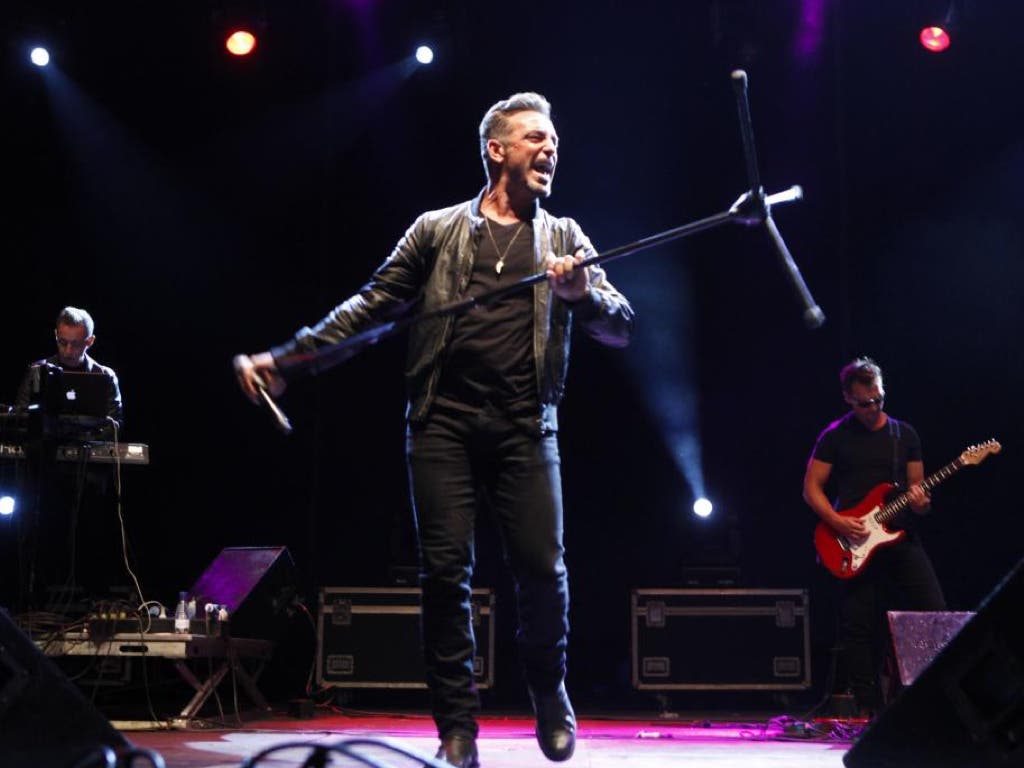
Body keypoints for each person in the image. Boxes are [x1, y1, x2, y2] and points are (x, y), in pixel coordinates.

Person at [235, 92, 634, 766]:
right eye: (536, 138)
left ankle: (548, 693)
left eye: (555, 142)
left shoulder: (565, 237)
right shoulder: (436, 230)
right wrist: (289, 360)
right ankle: (456, 727)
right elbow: (370, 308)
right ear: (496, 149)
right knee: (445, 577)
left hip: (525, 429)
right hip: (441, 426)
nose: (550, 150)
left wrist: (581, 294)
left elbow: (620, 324)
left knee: (542, 571)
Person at [803, 357, 946, 718]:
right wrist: (837, 522)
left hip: (899, 536)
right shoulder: (835, 436)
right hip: (851, 540)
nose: (874, 408)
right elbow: (811, 489)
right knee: (858, 625)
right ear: (848, 399)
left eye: (879, 399)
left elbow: (920, 498)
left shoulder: (904, 435)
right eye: (865, 403)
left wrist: (921, 502)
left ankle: (931, 698)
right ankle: (869, 710)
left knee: (933, 612)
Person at [15, 306, 124, 435]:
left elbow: (114, 425)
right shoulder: (37, 371)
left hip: (88, 447)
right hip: (45, 449)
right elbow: (20, 417)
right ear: (56, 335)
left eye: (76, 344)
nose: (68, 350)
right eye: (62, 342)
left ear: (90, 341)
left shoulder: (106, 376)